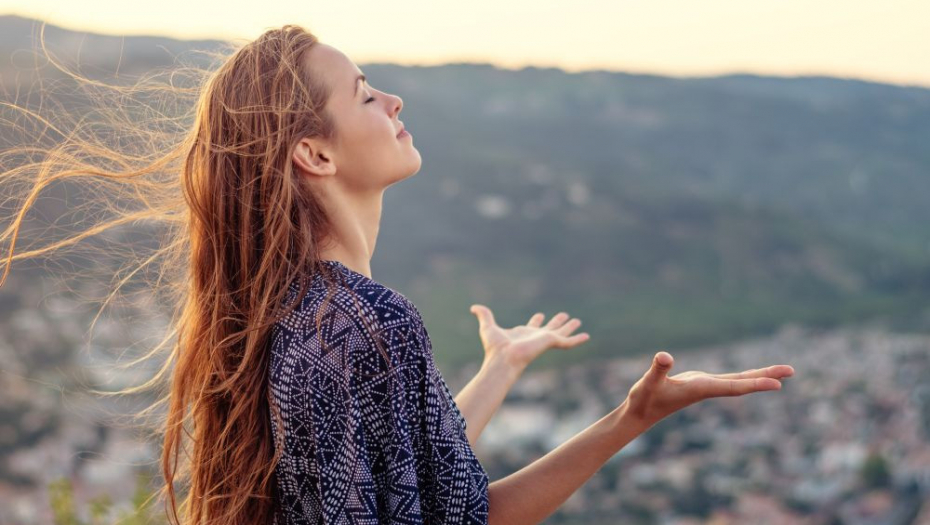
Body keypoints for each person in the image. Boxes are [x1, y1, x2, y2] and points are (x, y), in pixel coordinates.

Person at [0, 23, 794, 525]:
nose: (394, 98)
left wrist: (498, 371)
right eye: (366, 93)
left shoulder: (296, 317)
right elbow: (468, 513)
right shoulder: (369, 320)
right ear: (314, 153)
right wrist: (631, 418)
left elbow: (411, 478)